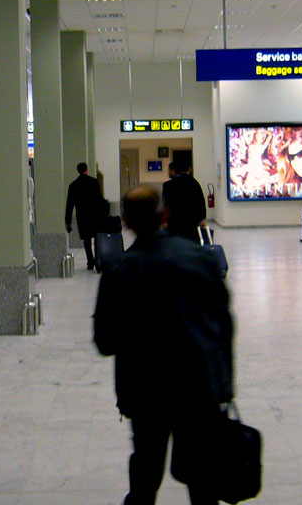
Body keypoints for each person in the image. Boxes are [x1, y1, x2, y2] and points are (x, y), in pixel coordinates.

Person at [93, 185, 233, 505]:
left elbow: (105, 342)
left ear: (126, 222)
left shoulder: (118, 271)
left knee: (145, 479)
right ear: (165, 215)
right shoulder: (201, 259)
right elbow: (223, 327)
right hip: (199, 389)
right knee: (202, 484)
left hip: (145, 394)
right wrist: (223, 385)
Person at [65, 162, 104, 270]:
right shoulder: (94, 182)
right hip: (95, 215)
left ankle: (90, 262)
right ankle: (98, 261)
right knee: (97, 238)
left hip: (82, 217)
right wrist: (104, 214)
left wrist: (68, 222)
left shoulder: (73, 185)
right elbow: (100, 200)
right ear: (87, 170)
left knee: (87, 240)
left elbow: (69, 205)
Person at [162, 161, 206, 242]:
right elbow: (200, 201)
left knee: (175, 243)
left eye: (169, 170)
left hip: (174, 221)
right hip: (192, 221)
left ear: (173, 171)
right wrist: (202, 218)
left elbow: (165, 204)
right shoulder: (194, 183)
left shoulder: (168, 185)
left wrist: (164, 220)